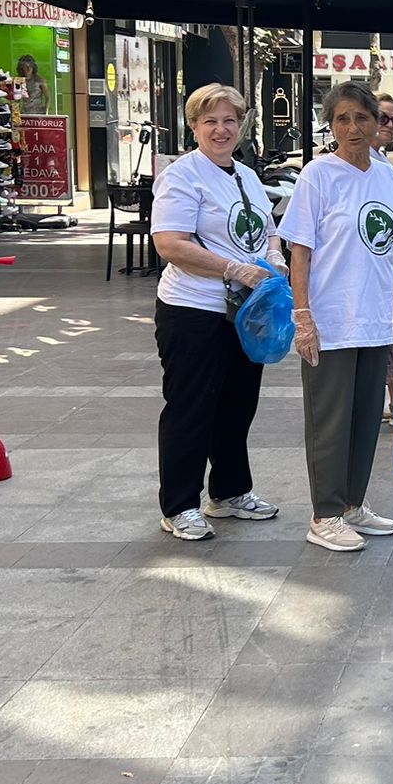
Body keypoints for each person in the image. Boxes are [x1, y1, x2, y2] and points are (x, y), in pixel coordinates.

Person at [280, 82, 393, 554]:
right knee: (330, 421)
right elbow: (299, 252)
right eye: (342, 119)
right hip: (330, 319)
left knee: (366, 418)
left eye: (362, 118)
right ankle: (324, 514)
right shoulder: (317, 176)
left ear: (376, 123)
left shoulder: (386, 177)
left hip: (374, 319)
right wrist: (303, 317)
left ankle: (351, 504)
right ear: (331, 125)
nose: (352, 128)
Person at [148, 84, 285, 541]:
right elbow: (170, 244)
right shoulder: (182, 176)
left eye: (230, 120)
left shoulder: (245, 175)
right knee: (191, 407)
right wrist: (233, 268)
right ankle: (179, 505)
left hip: (243, 311)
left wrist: (273, 256)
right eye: (210, 121)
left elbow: (267, 229)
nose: (221, 130)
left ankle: (229, 491)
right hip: (194, 310)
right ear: (194, 126)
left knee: (237, 405)